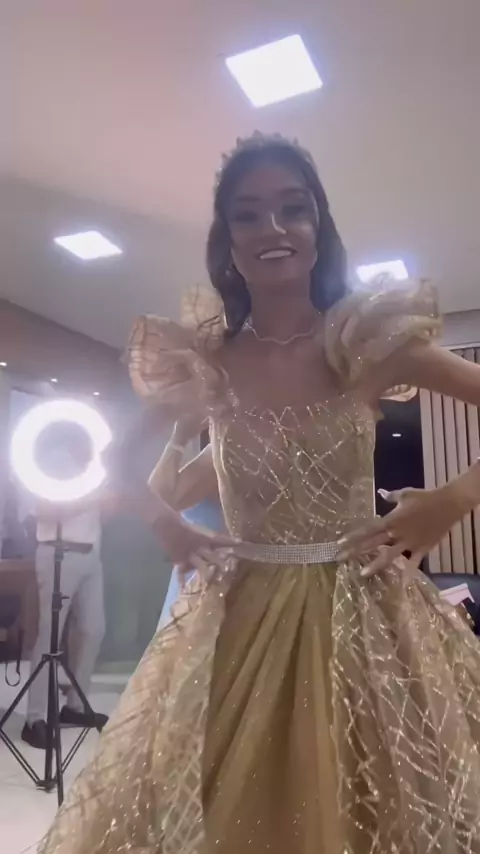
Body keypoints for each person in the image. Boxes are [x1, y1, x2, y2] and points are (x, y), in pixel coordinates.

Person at [39, 133, 480, 853]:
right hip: (238, 611)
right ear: (228, 240)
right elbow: (115, 458)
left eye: (292, 208)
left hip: (362, 613)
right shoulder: (206, 360)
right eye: (247, 214)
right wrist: (164, 523)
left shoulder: (365, 343)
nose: (272, 228)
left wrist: (453, 500)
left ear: (318, 224)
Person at [22, 424, 109, 749]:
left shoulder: (96, 467)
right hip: (58, 553)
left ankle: (74, 707)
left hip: (91, 556)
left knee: (93, 630)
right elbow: (44, 511)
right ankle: (35, 719)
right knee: (50, 636)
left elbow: (101, 510)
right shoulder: (53, 462)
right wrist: (93, 497)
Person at [148, 417, 224, 629]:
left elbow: (159, 499)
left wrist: (179, 438)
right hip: (208, 566)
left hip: (203, 572)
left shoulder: (224, 451)